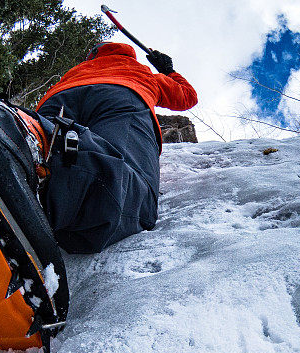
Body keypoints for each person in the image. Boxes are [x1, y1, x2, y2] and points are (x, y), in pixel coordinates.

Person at [35, 42, 198, 254]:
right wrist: (168, 70)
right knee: (131, 182)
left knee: (40, 144)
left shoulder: (78, 69)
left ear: (93, 55)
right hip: (123, 95)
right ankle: (88, 210)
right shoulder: (141, 71)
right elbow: (187, 96)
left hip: (59, 98)